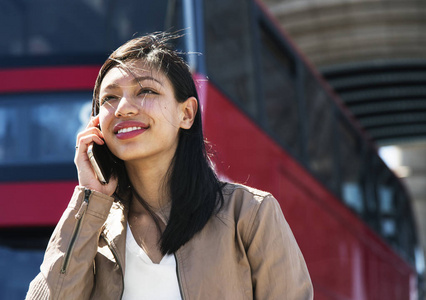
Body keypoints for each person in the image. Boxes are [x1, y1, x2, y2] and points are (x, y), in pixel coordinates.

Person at [26, 32, 313, 299]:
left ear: (186, 114)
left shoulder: (250, 213)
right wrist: (89, 198)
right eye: (110, 97)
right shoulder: (95, 229)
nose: (123, 107)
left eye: (146, 91)